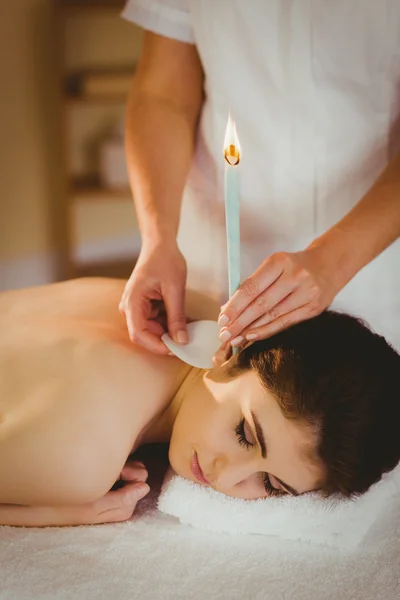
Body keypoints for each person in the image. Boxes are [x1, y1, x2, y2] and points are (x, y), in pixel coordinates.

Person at [119, 0, 400, 358]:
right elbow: (162, 93)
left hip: (371, 259)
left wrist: (334, 260)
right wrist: (158, 237)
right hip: (213, 256)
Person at [0, 277, 399, 527]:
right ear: (230, 355)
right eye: (244, 434)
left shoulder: (198, 306)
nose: (225, 477)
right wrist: (64, 512)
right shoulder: (81, 460)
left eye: (271, 485)